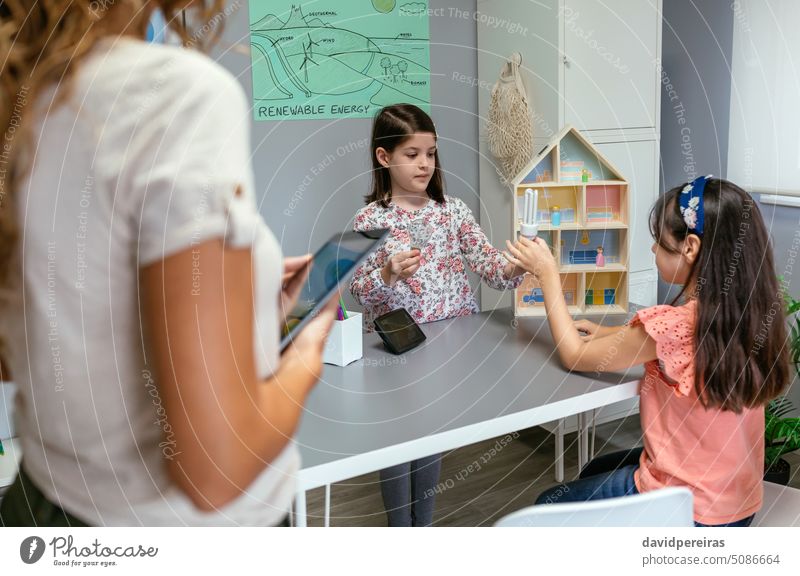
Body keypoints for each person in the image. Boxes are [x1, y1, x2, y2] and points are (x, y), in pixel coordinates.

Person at [0, 0, 334, 526]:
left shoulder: (24, 99)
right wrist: (306, 353)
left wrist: (242, 314)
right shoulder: (178, 97)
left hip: (42, 506)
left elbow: (65, 319)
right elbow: (214, 471)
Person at [504, 176, 789, 527]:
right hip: (736, 503)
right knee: (595, 468)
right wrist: (611, 333)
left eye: (660, 242)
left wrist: (547, 273)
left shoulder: (680, 324)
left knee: (546, 504)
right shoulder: (749, 313)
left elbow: (574, 356)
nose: (653, 250)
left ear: (691, 247)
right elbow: (659, 340)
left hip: (692, 513)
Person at [349, 103, 526, 526]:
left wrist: (517, 265)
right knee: (396, 441)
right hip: (397, 351)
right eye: (412, 154)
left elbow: (490, 268)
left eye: (430, 153)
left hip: (450, 348)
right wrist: (388, 274)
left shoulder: (454, 211)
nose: (425, 164)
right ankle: (401, 530)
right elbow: (358, 292)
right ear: (383, 157)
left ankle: (422, 526)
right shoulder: (371, 219)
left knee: (430, 438)